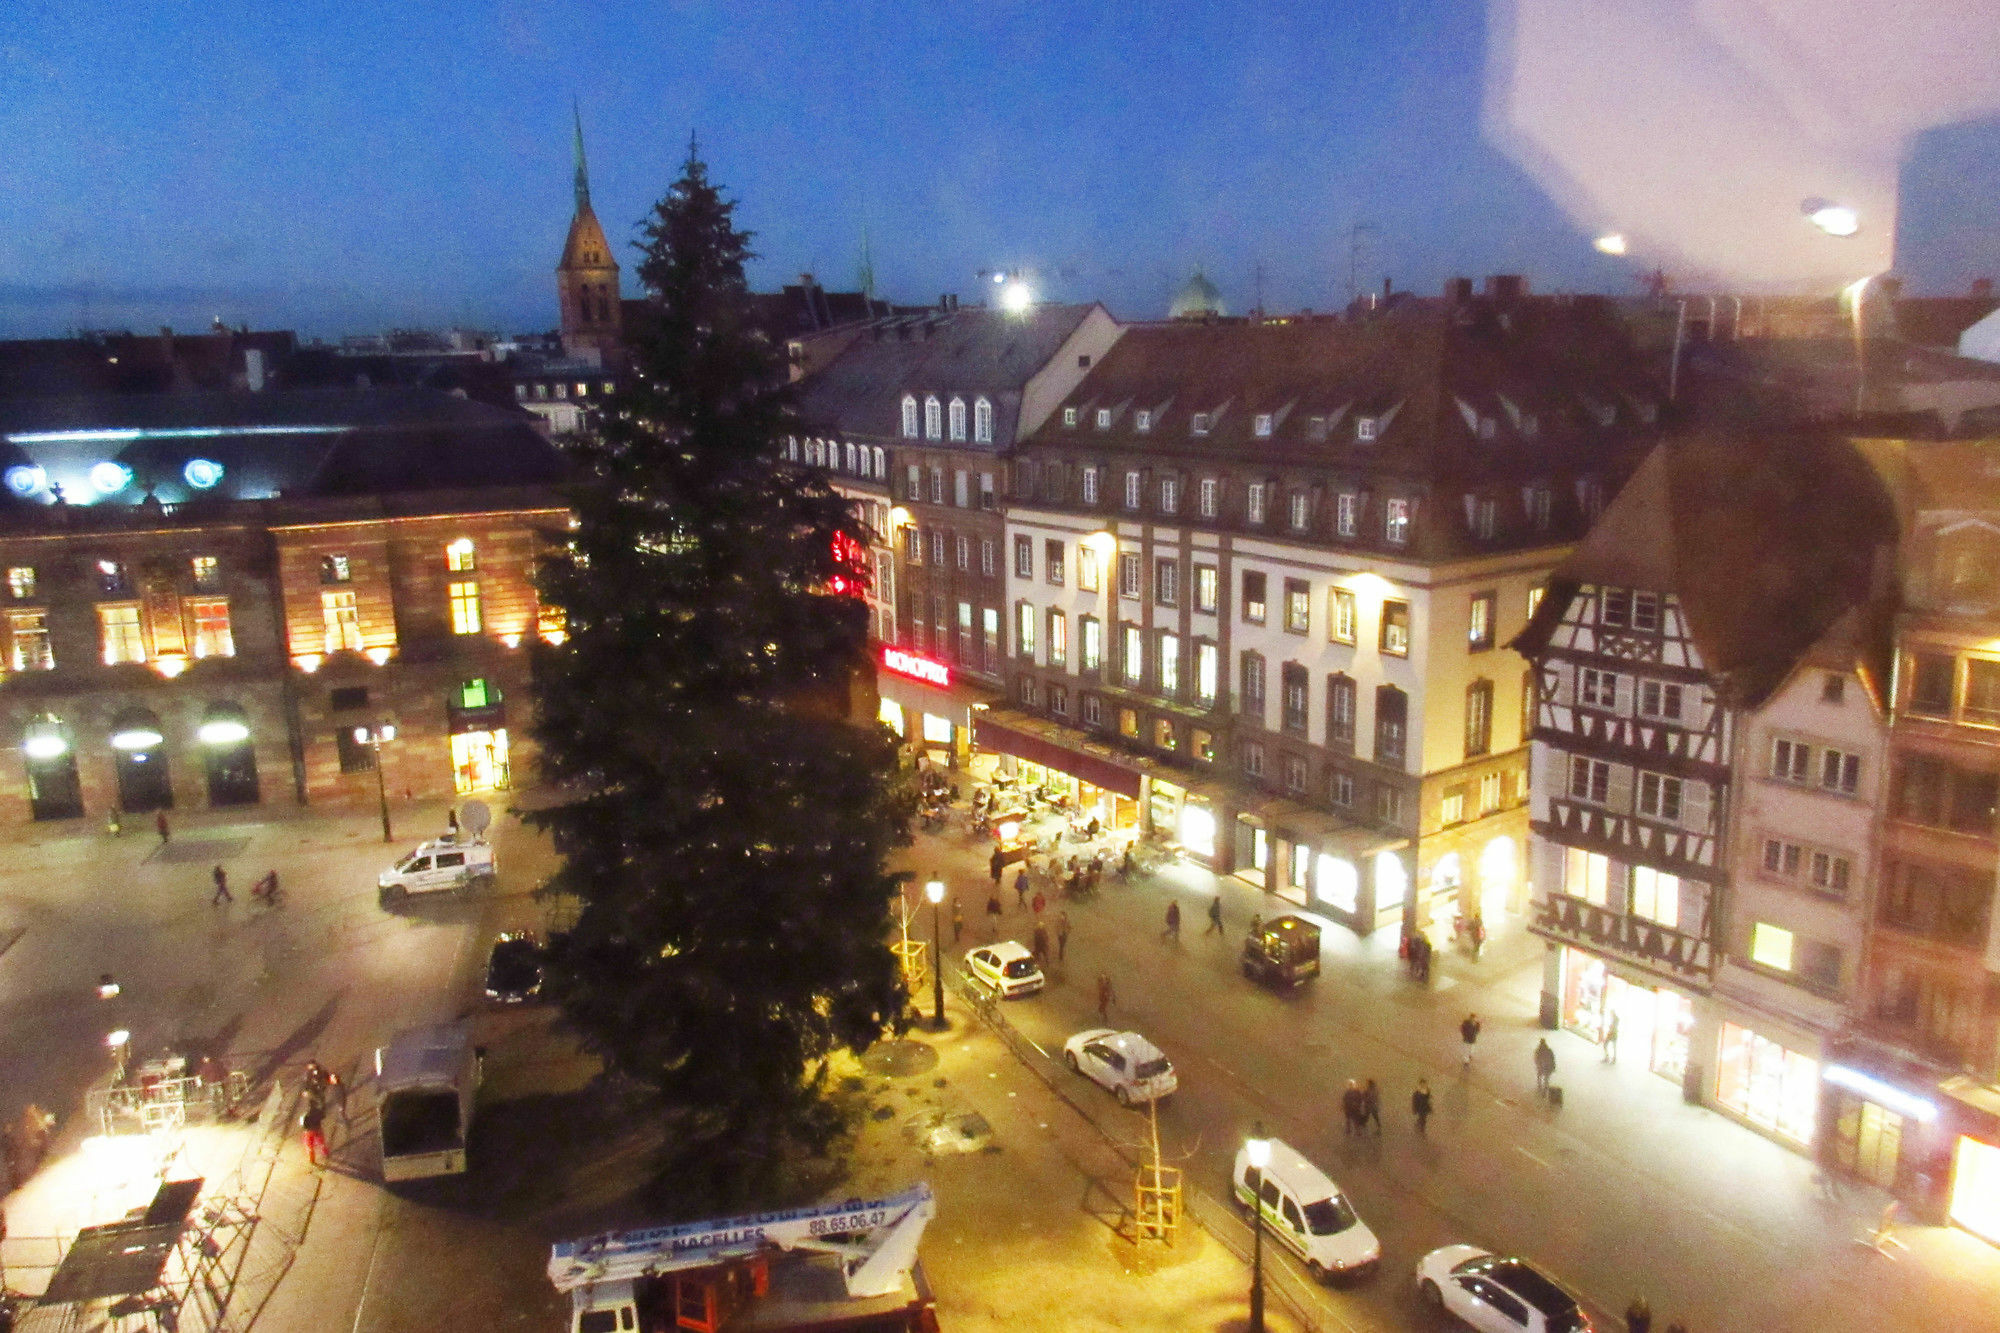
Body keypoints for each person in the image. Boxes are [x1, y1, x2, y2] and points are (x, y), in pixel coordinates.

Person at [300, 1086, 329, 1168]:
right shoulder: (318, 1112)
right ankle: (325, 1152)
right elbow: (323, 1116)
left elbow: (303, 1125)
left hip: (309, 1131)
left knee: (310, 1146)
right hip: (317, 1128)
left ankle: (312, 1159)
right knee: (321, 1141)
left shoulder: (305, 1115)